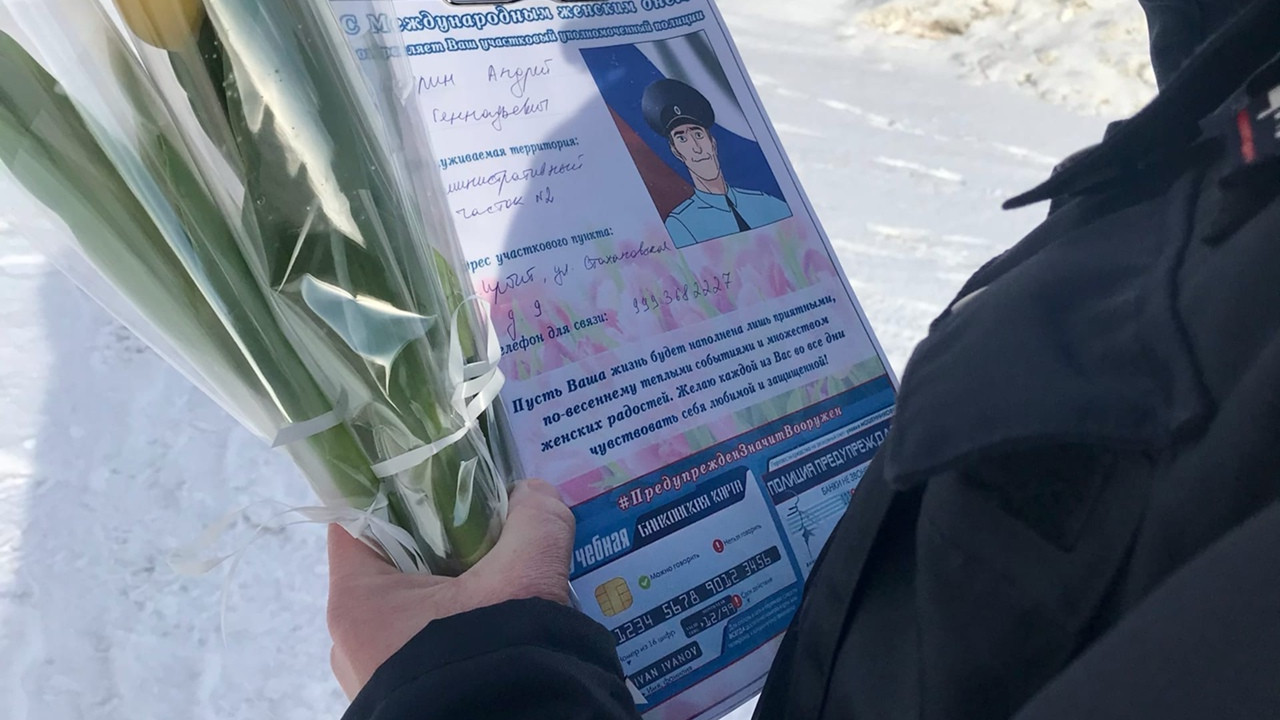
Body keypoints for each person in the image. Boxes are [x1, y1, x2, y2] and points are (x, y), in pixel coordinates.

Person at [328, 1, 1280, 718]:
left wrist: (479, 688)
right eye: (682, 137)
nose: (697, 148)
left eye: (702, 133)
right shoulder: (1233, 125)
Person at [640, 78, 790, 247]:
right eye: (682, 139)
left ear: (712, 142)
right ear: (676, 151)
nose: (696, 148)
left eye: (698, 135)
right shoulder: (681, 224)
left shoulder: (765, 202)